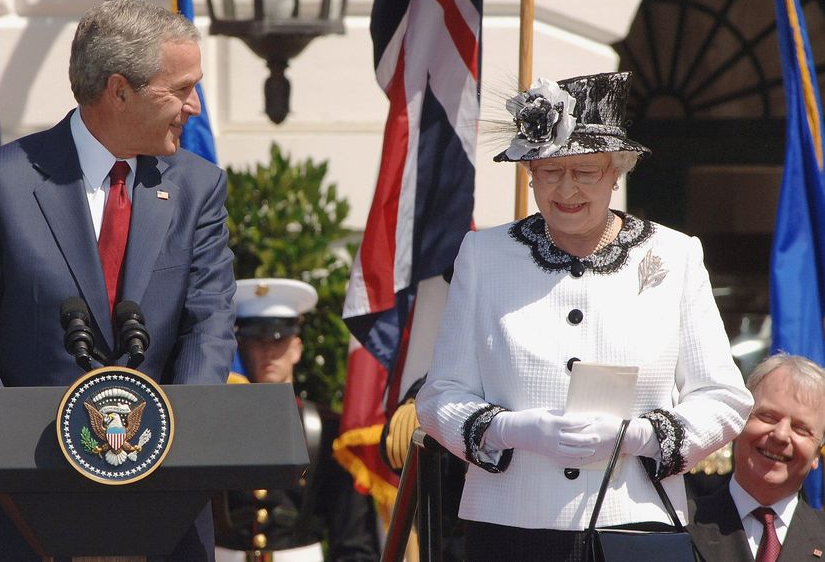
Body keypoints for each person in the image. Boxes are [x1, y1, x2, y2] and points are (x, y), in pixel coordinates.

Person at [0, 0, 236, 561]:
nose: (195, 106)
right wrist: (15, 446)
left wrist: (172, 449)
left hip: (165, 512)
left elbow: (208, 324)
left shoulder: (198, 187)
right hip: (19, 511)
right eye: (181, 88)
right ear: (119, 90)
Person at [414, 71, 754, 561]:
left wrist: (637, 437)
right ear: (530, 173)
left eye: (586, 172)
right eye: (550, 171)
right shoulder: (483, 255)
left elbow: (724, 399)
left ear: (617, 172)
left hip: (636, 523)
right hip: (512, 528)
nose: (566, 189)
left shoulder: (674, 256)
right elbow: (439, 397)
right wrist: (513, 430)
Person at [213, 278, 380, 562]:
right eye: (256, 340)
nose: (268, 351)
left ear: (297, 348)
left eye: (279, 340)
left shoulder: (329, 430)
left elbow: (353, 541)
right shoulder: (215, 424)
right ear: (240, 347)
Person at [689, 353, 825, 561]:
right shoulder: (678, 526)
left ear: (817, 453)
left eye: (800, 429)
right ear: (739, 422)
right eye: (768, 417)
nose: (780, 435)